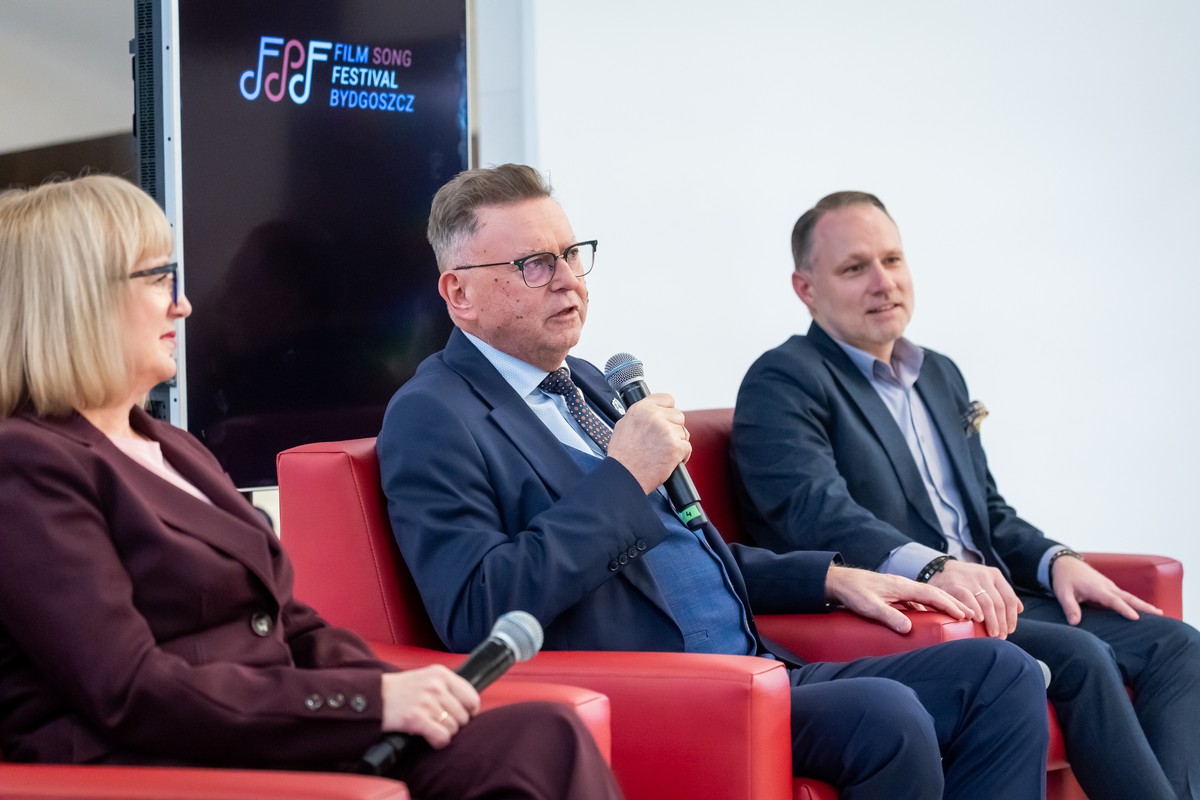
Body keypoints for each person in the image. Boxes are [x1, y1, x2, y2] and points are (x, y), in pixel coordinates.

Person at [377, 163, 1051, 800]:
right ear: (458, 293)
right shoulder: (434, 414)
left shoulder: (584, 383)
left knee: (1002, 673)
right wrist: (625, 476)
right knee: (887, 713)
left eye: (572, 253)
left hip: (756, 668)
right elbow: (476, 610)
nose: (567, 280)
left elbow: (683, 549)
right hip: (665, 692)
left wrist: (826, 578)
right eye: (534, 264)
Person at [0, 175, 622, 800]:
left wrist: (404, 694)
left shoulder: (174, 448)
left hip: (278, 735)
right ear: (76, 300)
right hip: (167, 765)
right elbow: (128, 687)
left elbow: (288, 625)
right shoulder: (25, 464)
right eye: (159, 279)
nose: (184, 305)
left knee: (545, 735)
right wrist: (367, 702)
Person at [731, 190, 1200, 800]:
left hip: (999, 595)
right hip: (919, 612)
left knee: (1178, 646)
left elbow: (989, 511)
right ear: (806, 289)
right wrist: (934, 568)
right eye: (854, 268)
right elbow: (815, 514)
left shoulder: (940, 373)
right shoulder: (784, 379)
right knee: (1083, 658)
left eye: (892, 260)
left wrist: (1056, 559)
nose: (883, 282)